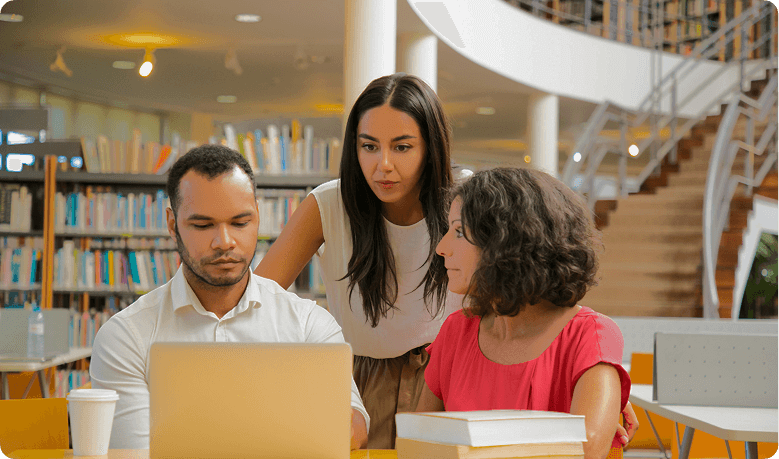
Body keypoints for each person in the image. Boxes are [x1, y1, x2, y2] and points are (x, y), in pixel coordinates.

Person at [90, 145, 369, 450]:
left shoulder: (307, 323)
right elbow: (139, 452)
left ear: (257, 218)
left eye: (239, 223)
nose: (224, 242)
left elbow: (353, 427)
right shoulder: (125, 336)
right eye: (202, 225)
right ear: (172, 224)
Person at [254, 73, 461, 448]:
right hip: (359, 385)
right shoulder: (328, 204)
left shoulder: (465, 202)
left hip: (450, 377)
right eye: (369, 146)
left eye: (401, 147)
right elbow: (257, 299)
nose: (382, 164)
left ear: (431, 147)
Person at [417, 167, 636, 459]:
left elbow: (583, 450)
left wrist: (463, 439)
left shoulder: (591, 335)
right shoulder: (456, 331)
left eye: (459, 231)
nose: (442, 247)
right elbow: (416, 442)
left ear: (508, 241)